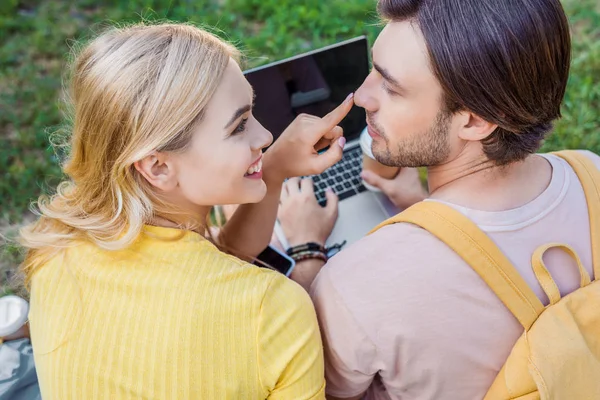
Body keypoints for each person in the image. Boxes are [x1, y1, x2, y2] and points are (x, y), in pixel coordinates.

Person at [277, 0, 600, 398]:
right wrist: (423, 208)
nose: (361, 96)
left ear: (476, 121)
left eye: (391, 87)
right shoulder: (591, 173)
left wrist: (307, 253)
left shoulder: (358, 283)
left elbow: (311, 386)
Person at [19, 22, 355, 399]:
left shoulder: (55, 243)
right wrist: (308, 254)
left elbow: (207, 265)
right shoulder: (273, 312)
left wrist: (272, 170)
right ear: (158, 167)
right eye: (239, 126)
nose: (264, 137)